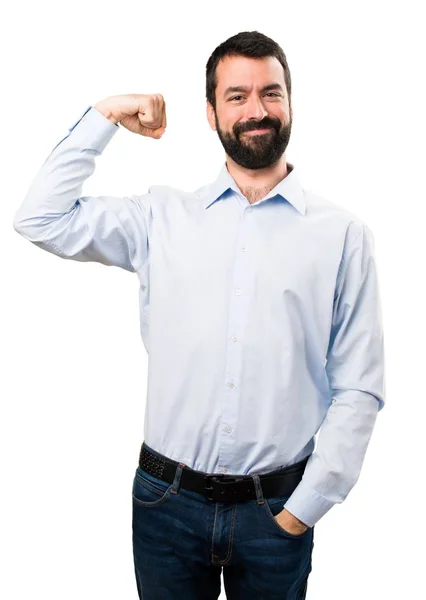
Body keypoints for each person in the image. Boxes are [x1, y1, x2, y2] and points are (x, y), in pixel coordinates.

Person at [13, 30, 386, 600]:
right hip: (166, 505)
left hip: (277, 510)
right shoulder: (160, 218)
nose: (256, 110)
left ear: (290, 103)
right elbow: (40, 218)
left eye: (271, 93)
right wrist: (105, 115)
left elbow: (359, 385)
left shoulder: (342, 236)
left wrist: (305, 507)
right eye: (236, 96)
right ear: (210, 113)